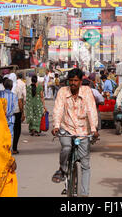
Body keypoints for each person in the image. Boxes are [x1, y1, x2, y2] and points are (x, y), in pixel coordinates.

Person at [51, 68, 99, 197]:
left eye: (76, 80)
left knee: (85, 164)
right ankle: (62, 169)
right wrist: (56, 125)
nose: (73, 83)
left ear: (81, 81)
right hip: (66, 127)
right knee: (66, 147)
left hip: (84, 130)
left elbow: (91, 110)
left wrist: (94, 129)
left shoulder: (87, 91)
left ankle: (84, 194)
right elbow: (58, 109)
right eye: (71, 80)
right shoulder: (62, 91)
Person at [12, 73, 26, 154]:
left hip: (7, 113)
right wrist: (22, 112)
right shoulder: (18, 87)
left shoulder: (4, 90)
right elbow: (20, 100)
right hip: (17, 111)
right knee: (17, 130)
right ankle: (14, 148)